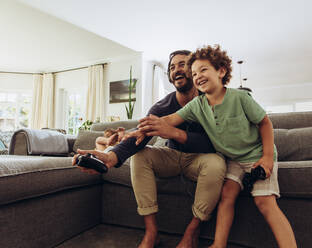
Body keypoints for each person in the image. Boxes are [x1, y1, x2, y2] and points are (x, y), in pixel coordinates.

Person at [137, 45, 297, 248]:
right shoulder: (197, 104)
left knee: (264, 202)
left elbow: (265, 123)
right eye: (194, 73)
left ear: (221, 71)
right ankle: (218, 244)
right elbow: (171, 118)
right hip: (233, 160)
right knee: (226, 196)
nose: (197, 76)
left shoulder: (240, 98)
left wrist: (266, 157)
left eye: (203, 70)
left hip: (257, 156)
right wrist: (144, 127)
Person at [72, 50, 227, 248]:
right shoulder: (163, 106)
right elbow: (140, 134)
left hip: (203, 159)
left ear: (194, 70)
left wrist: (174, 132)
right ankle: (152, 233)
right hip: (173, 156)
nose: (176, 70)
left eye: (182, 64)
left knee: (217, 163)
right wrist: (111, 156)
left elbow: (217, 143)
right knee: (140, 156)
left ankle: (192, 231)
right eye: (172, 67)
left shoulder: (213, 100)